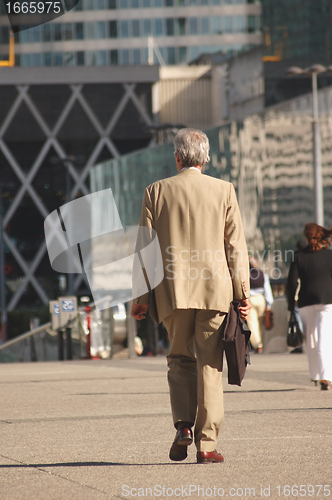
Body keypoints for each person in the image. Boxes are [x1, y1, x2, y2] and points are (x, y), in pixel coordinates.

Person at [131, 128, 251, 464]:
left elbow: (145, 250)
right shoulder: (224, 190)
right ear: (206, 158)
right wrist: (242, 292)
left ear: (178, 157)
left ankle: (184, 425)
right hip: (215, 291)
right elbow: (235, 248)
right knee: (210, 364)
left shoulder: (156, 192)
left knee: (179, 358)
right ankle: (207, 444)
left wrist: (140, 298)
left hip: (173, 291)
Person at [287, 223, 332, 391]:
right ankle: (325, 376)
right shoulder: (329, 255)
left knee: (311, 339)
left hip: (305, 302)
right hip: (327, 300)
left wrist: (291, 303)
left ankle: (315, 375)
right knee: (324, 339)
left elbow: (292, 282)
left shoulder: (298, 256)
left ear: (306, 237)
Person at [246, 256, 274, 353]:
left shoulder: (245, 274)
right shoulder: (262, 274)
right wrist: (269, 304)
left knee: (252, 323)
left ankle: (258, 345)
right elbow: (267, 290)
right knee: (261, 322)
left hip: (250, 299)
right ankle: (260, 343)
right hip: (261, 299)